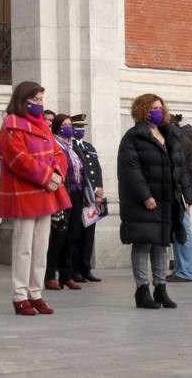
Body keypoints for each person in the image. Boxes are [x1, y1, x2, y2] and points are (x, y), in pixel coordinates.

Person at [0, 81, 68, 316]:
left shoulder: (44, 127)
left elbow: (58, 152)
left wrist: (58, 172)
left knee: (41, 247)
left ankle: (36, 293)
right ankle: (20, 295)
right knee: (23, 248)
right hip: (26, 193)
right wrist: (48, 176)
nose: (38, 104)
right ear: (22, 99)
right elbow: (19, 160)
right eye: (34, 99)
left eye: (40, 99)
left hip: (46, 192)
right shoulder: (11, 126)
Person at [117, 94, 186, 310]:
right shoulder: (133, 137)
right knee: (142, 244)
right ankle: (142, 290)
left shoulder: (168, 134)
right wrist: (145, 195)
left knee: (161, 243)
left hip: (166, 199)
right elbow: (131, 170)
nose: (157, 111)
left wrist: (184, 193)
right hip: (144, 200)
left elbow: (180, 167)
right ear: (141, 111)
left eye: (159, 107)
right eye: (151, 108)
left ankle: (161, 288)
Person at [44, 114, 87, 292]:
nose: (69, 128)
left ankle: (66, 275)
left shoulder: (73, 147)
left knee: (72, 235)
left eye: (70, 124)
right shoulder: (54, 144)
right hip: (63, 194)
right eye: (65, 125)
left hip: (77, 195)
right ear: (57, 127)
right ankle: (50, 275)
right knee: (59, 236)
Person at [70, 114, 104, 283]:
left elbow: (97, 169)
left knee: (89, 233)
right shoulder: (70, 146)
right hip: (79, 197)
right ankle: (74, 269)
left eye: (83, 127)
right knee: (76, 233)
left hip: (91, 198)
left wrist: (99, 188)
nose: (81, 130)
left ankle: (86, 268)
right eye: (78, 127)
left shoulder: (89, 146)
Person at [166, 114, 192, 282]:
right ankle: (181, 268)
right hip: (184, 191)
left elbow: (182, 170)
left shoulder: (180, 141)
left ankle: (185, 270)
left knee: (182, 231)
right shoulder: (184, 139)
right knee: (179, 231)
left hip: (181, 192)